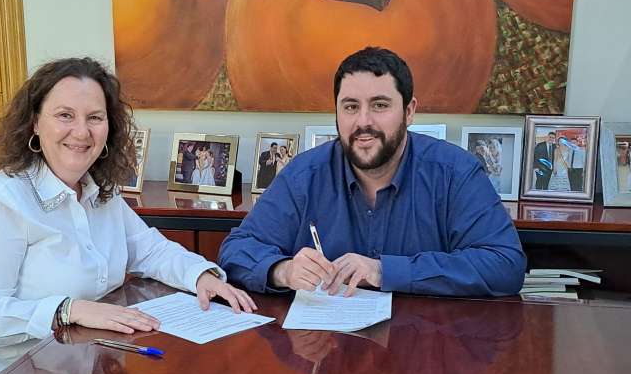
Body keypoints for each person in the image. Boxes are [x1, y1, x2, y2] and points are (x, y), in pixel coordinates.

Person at [0, 57, 255, 374]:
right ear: (35, 122)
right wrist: (67, 310)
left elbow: (150, 251)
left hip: (83, 369)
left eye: (94, 117)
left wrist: (200, 276)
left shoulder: (100, 192)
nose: (82, 132)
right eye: (65, 115)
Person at [218, 46, 525, 297]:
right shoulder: (304, 175)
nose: (363, 121)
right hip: (327, 345)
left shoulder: (454, 173)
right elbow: (236, 250)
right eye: (350, 107)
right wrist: (282, 270)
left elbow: (505, 265)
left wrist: (384, 271)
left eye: (379, 105)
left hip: (426, 344)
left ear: (409, 111)